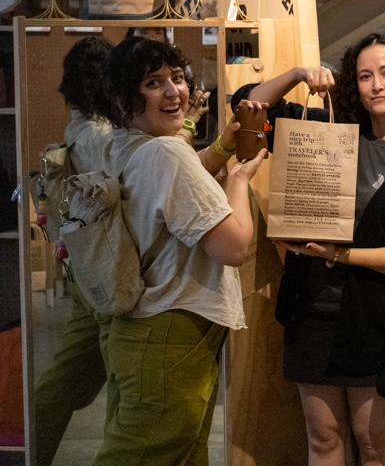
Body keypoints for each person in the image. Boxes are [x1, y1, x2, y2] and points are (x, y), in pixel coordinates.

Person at [238, 32, 385, 466]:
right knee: (323, 437)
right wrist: (298, 74)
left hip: (376, 321)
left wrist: (338, 255)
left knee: (373, 441)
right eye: (364, 76)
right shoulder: (330, 132)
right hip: (312, 312)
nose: (376, 85)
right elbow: (248, 106)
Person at [95, 37, 266, 466]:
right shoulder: (168, 151)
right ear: (123, 99)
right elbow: (233, 246)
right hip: (171, 331)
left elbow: (175, 188)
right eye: (153, 83)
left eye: (177, 77)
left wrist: (222, 150)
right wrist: (239, 181)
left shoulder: (124, 145)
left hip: (143, 330)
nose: (174, 92)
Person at [34, 37, 115, 466]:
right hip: (109, 273)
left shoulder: (78, 129)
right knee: (122, 386)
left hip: (86, 273)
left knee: (63, 383)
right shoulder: (102, 135)